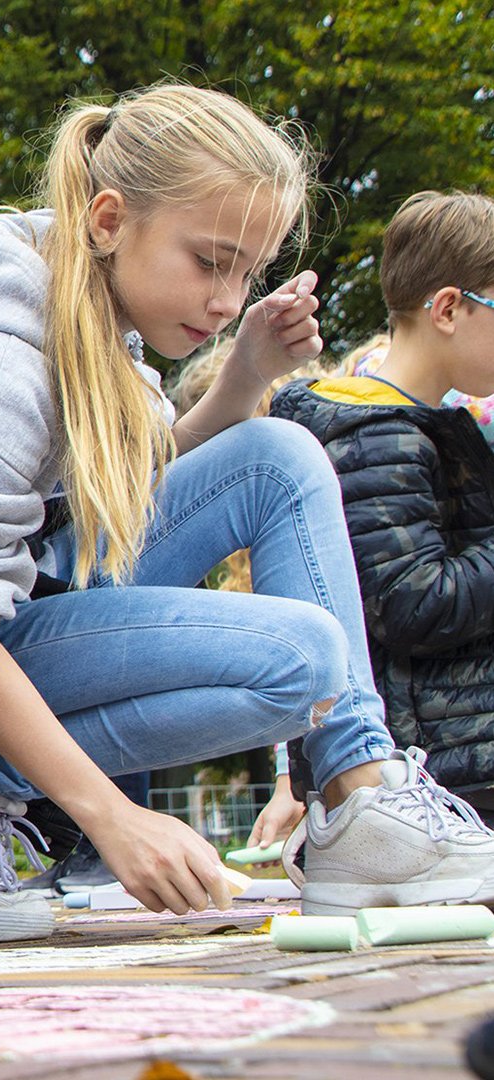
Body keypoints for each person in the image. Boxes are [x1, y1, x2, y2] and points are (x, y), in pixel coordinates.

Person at [0, 82, 494, 949]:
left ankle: (361, 799)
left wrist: (245, 375)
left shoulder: (87, 315)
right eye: (210, 262)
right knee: (302, 658)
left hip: (10, 619)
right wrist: (109, 817)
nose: (227, 299)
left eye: (249, 272)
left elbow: (129, 489)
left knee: (276, 456)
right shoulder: (0, 375)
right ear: (108, 219)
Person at [269, 190, 494, 811]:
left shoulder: (416, 426)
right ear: (448, 308)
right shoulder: (375, 435)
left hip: (444, 764)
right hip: (430, 775)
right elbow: (411, 603)